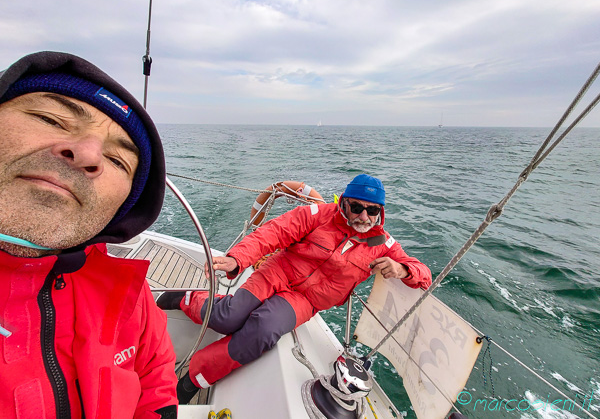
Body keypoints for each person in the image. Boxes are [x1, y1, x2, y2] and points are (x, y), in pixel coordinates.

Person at [0, 51, 178, 418]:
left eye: (118, 161)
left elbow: (156, 382)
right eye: (51, 118)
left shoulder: (129, 292)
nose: (87, 153)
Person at [160, 174, 432, 403]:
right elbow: (274, 232)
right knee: (227, 317)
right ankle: (187, 299)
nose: (364, 215)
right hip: (278, 272)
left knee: (262, 331)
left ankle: (193, 378)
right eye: (357, 207)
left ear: (380, 212)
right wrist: (238, 258)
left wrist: (403, 270)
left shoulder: (382, 244)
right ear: (344, 203)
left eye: (372, 210)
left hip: (305, 300)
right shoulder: (318, 215)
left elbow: (425, 275)